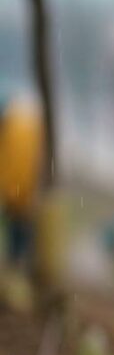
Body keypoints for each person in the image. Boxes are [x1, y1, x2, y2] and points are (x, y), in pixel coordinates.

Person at [0, 92, 43, 270]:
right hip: (30, 193)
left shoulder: (12, 129)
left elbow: (13, 168)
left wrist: (10, 195)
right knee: (25, 238)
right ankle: (21, 267)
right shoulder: (22, 121)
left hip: (22, 196)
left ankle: (17, 267)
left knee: (20, 236)